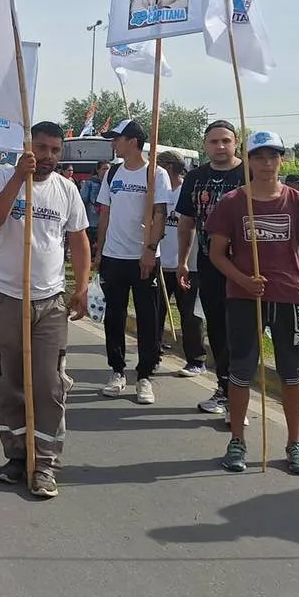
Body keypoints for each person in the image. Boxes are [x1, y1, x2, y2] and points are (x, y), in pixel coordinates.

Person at [0, 121, 90, 498]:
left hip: (50, 301)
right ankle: (15, 455)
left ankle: (44, 462)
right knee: (8, 382)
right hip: (6, 297)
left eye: (55, 150)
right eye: (41, 148)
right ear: (27, 147)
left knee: (49, 384)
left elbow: (78, 240)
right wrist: (17, 180)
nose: (48, 157)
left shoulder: (67, 189)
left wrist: (83, 285)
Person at [206, 130, 299, 475]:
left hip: (291, 299)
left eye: (273, 157)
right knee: (241, 372)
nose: (266, 163)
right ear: (248, 161)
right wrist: (243, 279)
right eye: (259, 157)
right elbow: (216, 254)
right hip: (244, 299)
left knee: (292, 374)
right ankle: (238, 440)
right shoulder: (231, 202)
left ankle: (294, 444)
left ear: (281, 160)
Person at [95, 119, 171, 405]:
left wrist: (150, 249)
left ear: (134, 141)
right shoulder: (113, 172)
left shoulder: (155, 173)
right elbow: (105, 212)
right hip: (114, 256)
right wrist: (100, 250)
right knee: (113, 316)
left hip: (143, 258)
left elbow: (160, 214)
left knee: (148, 319)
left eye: (118, 138)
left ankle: (144, 376)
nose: (114, 143)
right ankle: (117, 370)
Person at [176, 120, 246, 416]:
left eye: (226, 141)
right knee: (217, 327)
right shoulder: (195, 177)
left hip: (246, 264)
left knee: (243, 329)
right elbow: (186, 222)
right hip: (209, 262)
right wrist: (182, 261)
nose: (220, 146)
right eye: (214, 141)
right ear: (205, 145)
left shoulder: (250, 173)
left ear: (236, 143)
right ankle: (224, 387)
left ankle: (240, 391)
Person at [157, 150, 207, 376]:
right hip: (161, 264)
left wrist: (183, 262)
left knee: (190, 316)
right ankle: (153, 353)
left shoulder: (189, 191)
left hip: (187, 266)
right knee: (156, 312)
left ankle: (196, 360)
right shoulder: (159, 192)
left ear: (168, 167)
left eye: (158, 166)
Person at [80, 160, 109, 253]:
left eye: (108, 169)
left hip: (106, 220)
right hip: (92, 220)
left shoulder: (110, 183)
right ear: (98, 170)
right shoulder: (90, 183)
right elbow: (83, 199)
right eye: (104, 169)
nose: (106, 171)